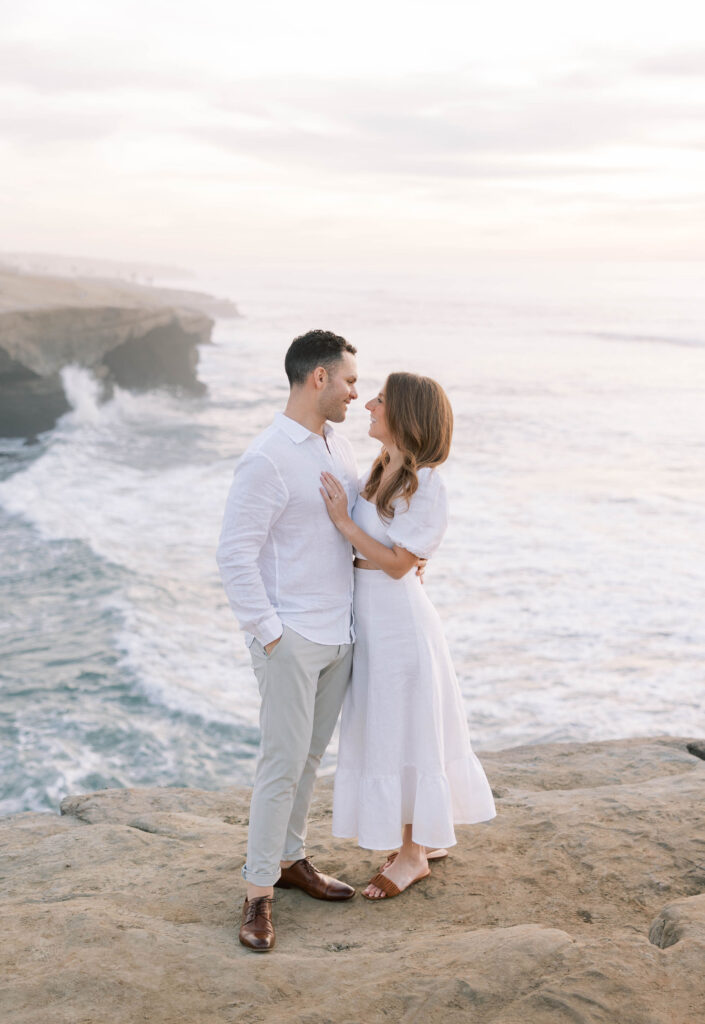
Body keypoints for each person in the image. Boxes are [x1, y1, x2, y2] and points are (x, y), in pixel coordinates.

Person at [319, 372, 496, 900]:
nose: (368, 403)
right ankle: (422, 838)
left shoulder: (428, 482)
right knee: (386, 726)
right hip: (373, 619)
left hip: (399, 624)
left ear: (406, 416)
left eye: (381, 400)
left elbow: (399, 564)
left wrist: (345, 526)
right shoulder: (381, 468)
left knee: (404, 728)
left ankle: (414, 854)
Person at [216, 329, 361, 951]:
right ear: (318, 378)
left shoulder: (341, 445)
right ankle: (256, 895)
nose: (359, 391)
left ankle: (292, 859)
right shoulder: (269, 456)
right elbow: (233, 555)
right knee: (280, 764)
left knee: (308, 760)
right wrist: (272, 636)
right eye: (350, 379)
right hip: (292, 636)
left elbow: (345, 531)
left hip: (340, 634)